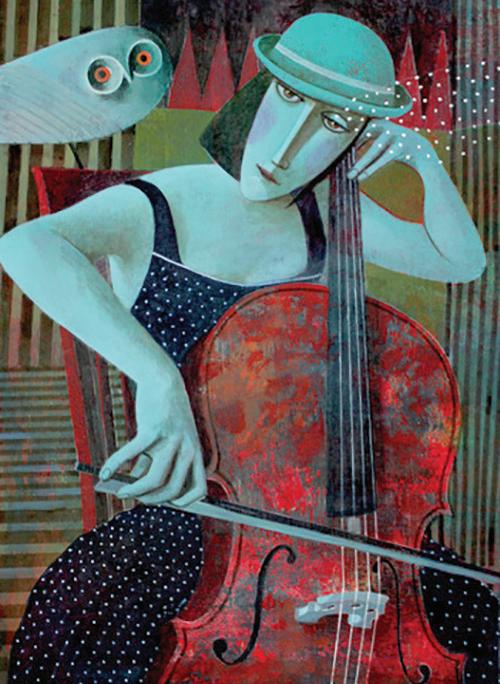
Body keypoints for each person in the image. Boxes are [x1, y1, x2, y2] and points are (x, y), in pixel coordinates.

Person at [0, 12, 488, 683]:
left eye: (334, 123)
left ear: (359, 137)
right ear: (261, 88)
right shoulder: (163, 203)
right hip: (193, 520)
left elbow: (461, 262)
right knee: (84, 631)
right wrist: (158, 378)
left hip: (337, 521)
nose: (288, 147)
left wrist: (423, 162)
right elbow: (26, 244)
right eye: (288, 97)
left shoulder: (329, 214)